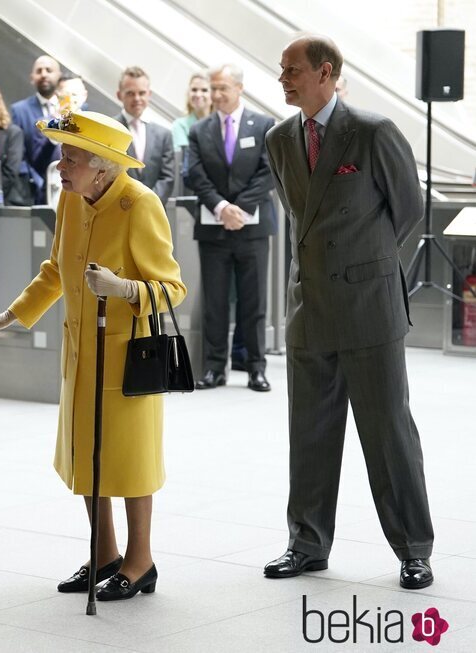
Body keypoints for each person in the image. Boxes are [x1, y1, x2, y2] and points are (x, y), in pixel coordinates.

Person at [0, 111, 186, 601]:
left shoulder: (139, 205)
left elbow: (173, 288)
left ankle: (140, 561)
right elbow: (54, 271)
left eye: (70, 157)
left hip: (127, 359)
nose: (60, 165)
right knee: (86, 456)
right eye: (61, 155)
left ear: (103, 167)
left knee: (130, 462)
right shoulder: (71, 200)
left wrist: (124, 288)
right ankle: (104, 553)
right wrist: (10, 316)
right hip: (79, 355)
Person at [264, 35, 434, 590]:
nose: (284, 78)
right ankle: (307, 543)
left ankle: (413, 548)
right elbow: (299, 218)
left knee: (388, 433)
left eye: (293, 70)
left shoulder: (373, 131)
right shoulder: (279, 138)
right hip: (308, 307)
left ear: (326, 72)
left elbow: (408, 210)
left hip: (368, 307)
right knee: (308, 433)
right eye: (281, 70)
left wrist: (373, 274)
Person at [186, 63, 275, 392]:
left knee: (254, 302)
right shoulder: (200, 130)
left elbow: (268, 172)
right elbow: (195, 174)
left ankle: (256, 368)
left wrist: (241, 208)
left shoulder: (264, 125)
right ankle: (214, 368)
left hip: (252, 229)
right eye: (213, 88)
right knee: (215, 302)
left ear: (239, 88)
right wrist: (222, 207)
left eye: (223, 88)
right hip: (213, 229)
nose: (216, 95)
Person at [114, 66, 175, 205]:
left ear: (149, 94)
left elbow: (167, 178)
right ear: (119, 95)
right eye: (130, 93)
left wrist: (147, 203)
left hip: (154, 210)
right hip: (119, 209)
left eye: (142, 93)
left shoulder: (164, 134)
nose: (137, 98)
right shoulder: (110, 129)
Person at [10, 55, 63, 204]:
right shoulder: (19, 110)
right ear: (32, 77)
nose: (44, 74)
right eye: (39, 71)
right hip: (34, 191)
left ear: (58, 75)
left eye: (49, 70)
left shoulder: (72, 107)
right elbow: (19, 155)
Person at [171, 71, 211, 151]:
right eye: (194, 90)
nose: (198, 95)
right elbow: (183, 158)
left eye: (204, 90)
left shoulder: (222, 124)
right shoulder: (180, 126)